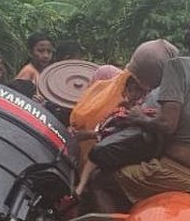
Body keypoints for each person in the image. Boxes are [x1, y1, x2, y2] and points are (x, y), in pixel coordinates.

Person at [94, 17, 190, 213]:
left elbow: (168, 124)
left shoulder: (177, 66)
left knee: (100, 180)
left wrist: (137, 117)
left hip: (173, 171)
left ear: (188, 39)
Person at [70, 41, 178, 195]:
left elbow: (127, 136)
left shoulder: (159, 102)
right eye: (133, 88)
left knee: (98, 177)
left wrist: (92, 134)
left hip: (126, 151)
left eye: (142, 89)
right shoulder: (107, 75)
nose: (135, 95)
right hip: (104, 144)